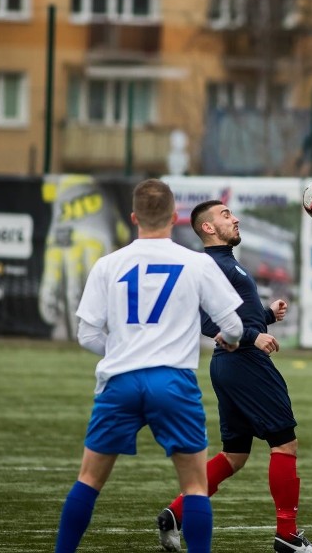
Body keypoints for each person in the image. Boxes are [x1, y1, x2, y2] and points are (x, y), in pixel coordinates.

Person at [55, 180, 244, 553]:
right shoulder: (197, 262)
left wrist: (124, 350)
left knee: (89, 480)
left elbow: (86, 334)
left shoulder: (108, 264)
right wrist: (232, 342)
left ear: (133, 218)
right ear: (175, 217)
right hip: (172, 382)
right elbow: (234, 326)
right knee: (194, 486)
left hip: (119, 382)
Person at [155, 200, 312, 553]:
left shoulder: (226, 264)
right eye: (225, 215)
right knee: (284, 444)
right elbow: (206, 322)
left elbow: (234, 318)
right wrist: (252, 336)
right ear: (208, 228)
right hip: (244, 361)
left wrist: (264, 316)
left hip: (230, 364)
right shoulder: (213, 265)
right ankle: (287, 535)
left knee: (235, 455)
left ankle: (176, 513)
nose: (235, 219)